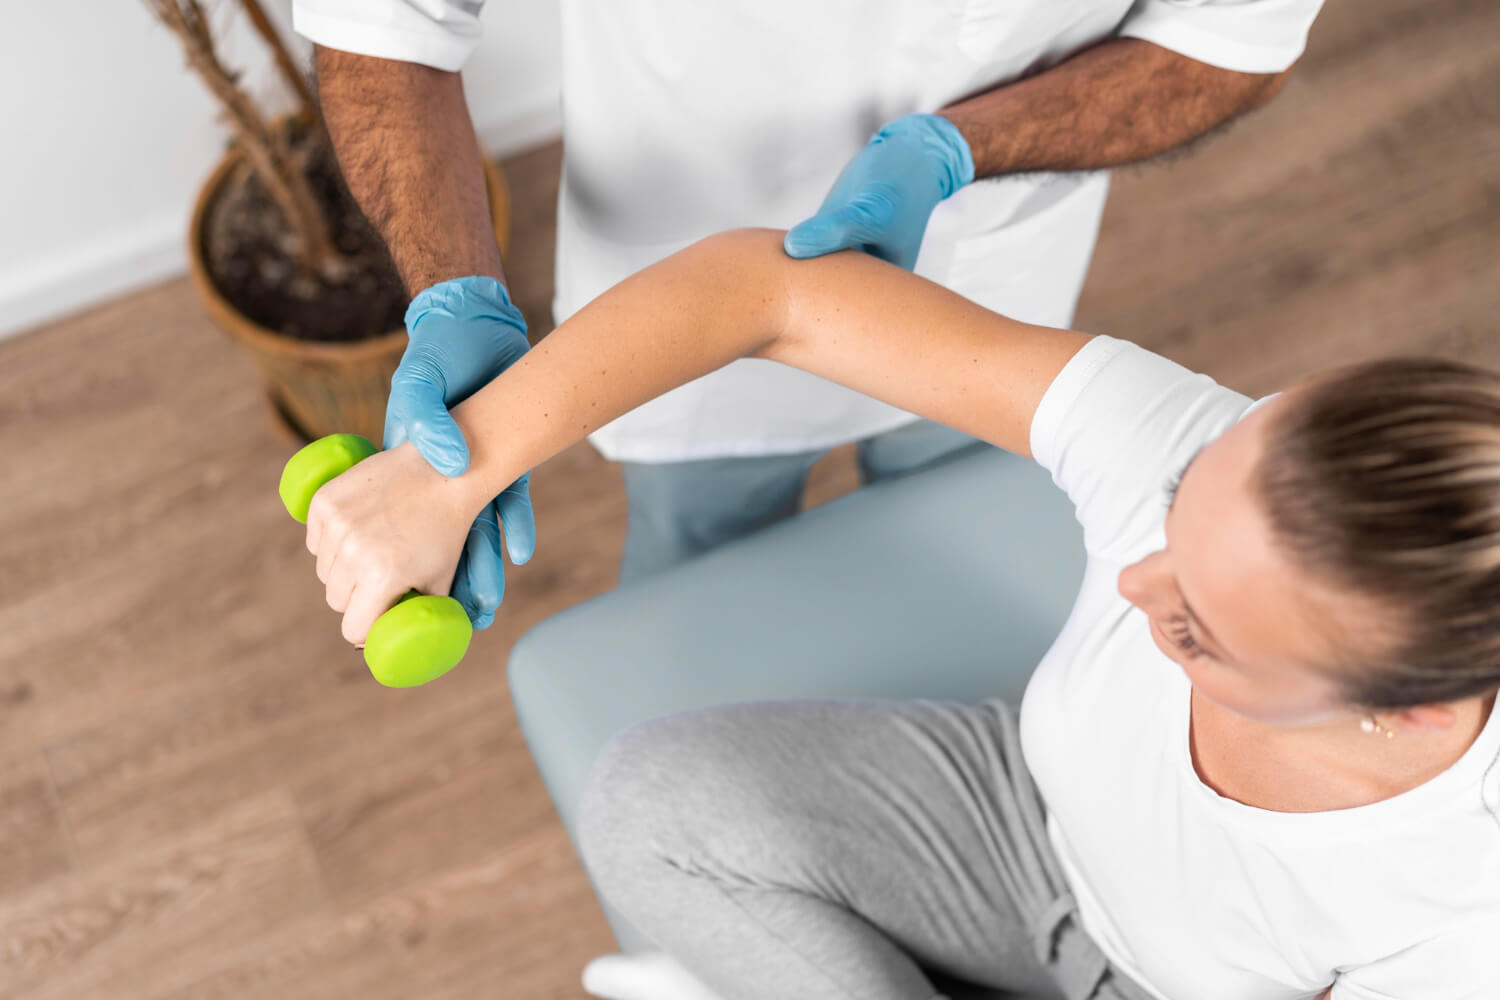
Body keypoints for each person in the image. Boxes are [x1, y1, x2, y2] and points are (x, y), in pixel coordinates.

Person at [300, 229, 1500, 1000]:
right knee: (654, 807)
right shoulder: (1190, 447)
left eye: (1200, 632)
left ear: (1413, 711)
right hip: (1012, 804)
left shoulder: (1459, 910)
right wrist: (452, 472)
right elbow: (774, 294)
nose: (1138, 588)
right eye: (1176, 523)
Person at [294, 0, 1326, 621]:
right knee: (702, 568)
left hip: (993, 267)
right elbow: (379, 26)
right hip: (673, 252)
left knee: (964, 548)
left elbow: (1230, 39)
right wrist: (452, 294)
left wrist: (962, 148)